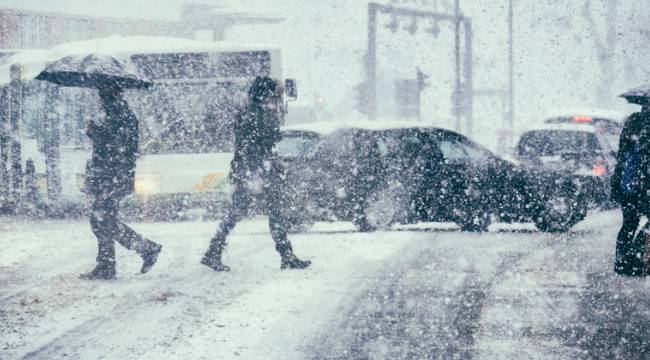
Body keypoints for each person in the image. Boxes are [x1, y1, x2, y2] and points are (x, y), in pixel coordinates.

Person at [201, 76, 311, 272]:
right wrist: (257, 170)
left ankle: (285, 255)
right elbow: (254, 144)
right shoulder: (254, 114)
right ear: (264, 95)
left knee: (253, 212)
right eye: (272, 95)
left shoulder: (255, 112)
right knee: (250, 212)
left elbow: (261, 142)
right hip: (254, 172)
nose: (275, 99)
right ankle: (214, 252)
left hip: (253, 171)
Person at [80, 85, 162, 280]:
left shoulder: (120, 115)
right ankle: (108, 264)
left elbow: (117, 147)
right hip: (111, 175)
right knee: (103, 219)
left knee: (101, 219)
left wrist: (96, 133)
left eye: (103, 95)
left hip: (113, 176)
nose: (100, 99)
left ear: (110, 95)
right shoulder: (119, 113)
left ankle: (145, 249)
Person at [610, 100, 650, 276]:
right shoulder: (644, 127)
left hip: (629, 185)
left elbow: (622, 156)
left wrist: (617, 184)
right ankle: (637, 259)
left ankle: (622, 262)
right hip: (644, 185)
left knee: (628, 225)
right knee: (642, 224)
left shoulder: (633, 122)